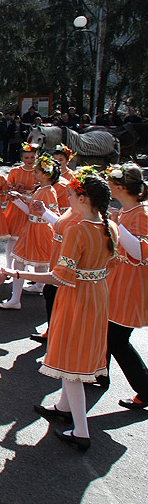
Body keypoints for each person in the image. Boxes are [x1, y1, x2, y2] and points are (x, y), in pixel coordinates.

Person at [2, 169, 117, 451]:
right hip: (97, 295)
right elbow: (111, 264)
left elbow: (59, 276)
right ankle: (64, 407)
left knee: (72, 362)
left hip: (77, 297)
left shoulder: (79, 230)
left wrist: (18, 275)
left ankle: (81, 430)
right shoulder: (108, 226)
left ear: (83, 198)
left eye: (72, 195)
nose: (67, 198)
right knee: (78, 353)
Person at [105, 163, 148, 411]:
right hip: (120, 281)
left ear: (121, 187)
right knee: (109, 333)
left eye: (111, 182)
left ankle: (145, 388)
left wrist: (116, 224)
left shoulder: (140, 215)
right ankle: (99, 375)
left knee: (117, 339)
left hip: (131, 285)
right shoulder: (128, 212)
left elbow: (139, 253)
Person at [0, 155, 59, 310]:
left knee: (35, 264)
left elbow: (54, 217)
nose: (33, 174)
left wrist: (42, 210)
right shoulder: (41, 189)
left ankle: (28, 298)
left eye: (37, 172)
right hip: (31, 228)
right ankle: (17, 298)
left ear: (46, 175)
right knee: (22, 262)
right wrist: (17, 200)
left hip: (41, 231)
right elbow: (31, 211)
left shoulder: (49, 191)